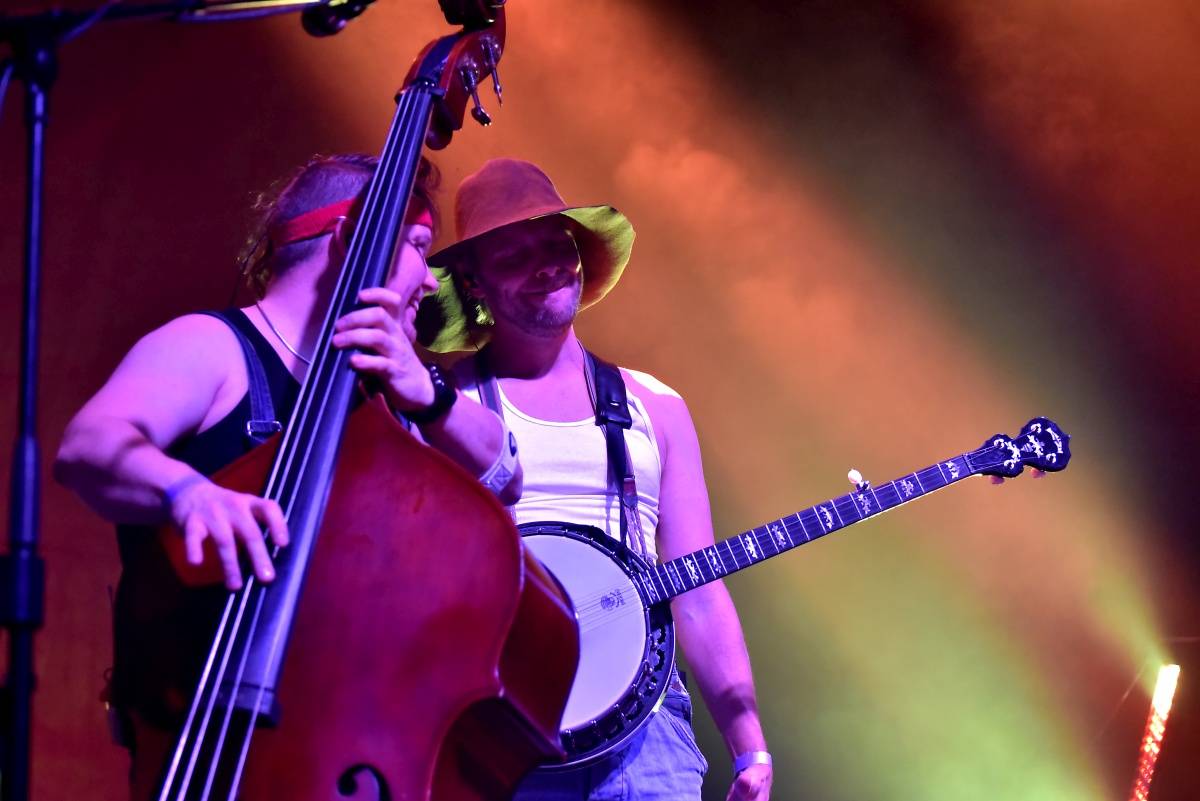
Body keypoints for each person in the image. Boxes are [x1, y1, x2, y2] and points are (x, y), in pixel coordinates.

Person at [53, 153, 520, 799]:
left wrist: (428, 393)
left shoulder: (382, 391)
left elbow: (503, 473)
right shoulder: (211, 346)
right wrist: (187, 491)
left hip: (349, 751)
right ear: (352, 238)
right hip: (209, 744)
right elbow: (88, 445)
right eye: (418, 245)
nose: (430, 280)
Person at [418, 158, 772, 801]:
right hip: (495, 731)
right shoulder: (442, 408)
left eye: (556, 243)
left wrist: (748, 742)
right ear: (472, 281)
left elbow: (699, 589)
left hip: (645, 738)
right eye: (515, 253)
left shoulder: (656, 407)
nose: (547, 264)